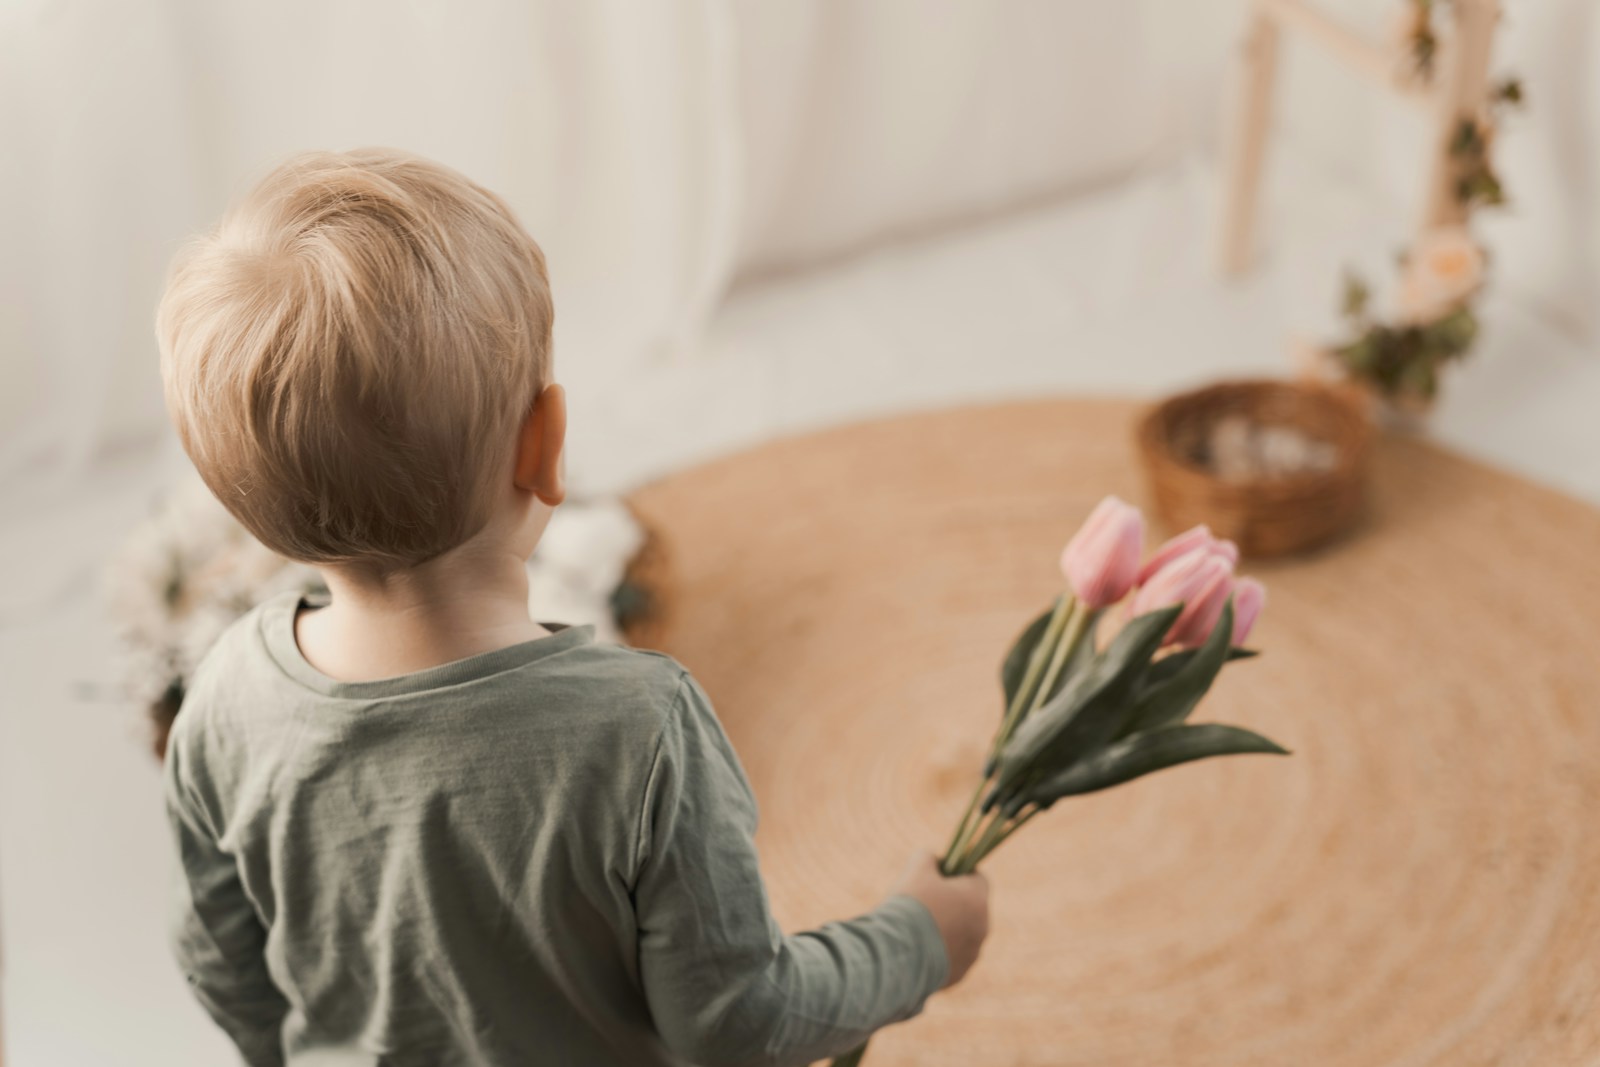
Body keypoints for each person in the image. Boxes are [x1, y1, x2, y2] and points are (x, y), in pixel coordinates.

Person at [156, 147, 990, 1067]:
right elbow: (737, 1028)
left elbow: (222, 963)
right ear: (546, 445)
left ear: (245, 509)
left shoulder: (224, 698)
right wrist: (921, 941)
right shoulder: (638, 733)